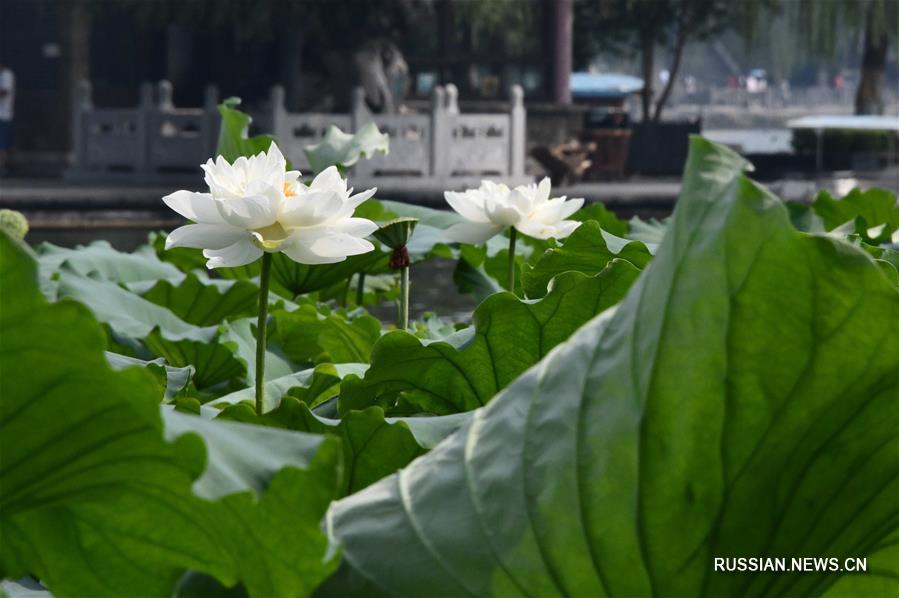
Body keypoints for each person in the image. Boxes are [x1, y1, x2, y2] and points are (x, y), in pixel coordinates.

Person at [0, 62, 14, 175]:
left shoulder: (6, 75)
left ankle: (3, 166)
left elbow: (5, 92)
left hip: (3, 114)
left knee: (2, 143)